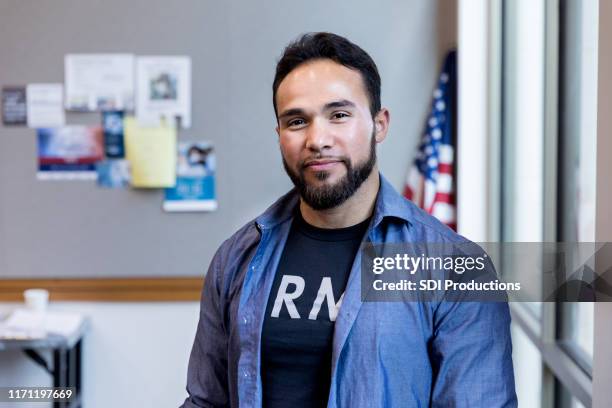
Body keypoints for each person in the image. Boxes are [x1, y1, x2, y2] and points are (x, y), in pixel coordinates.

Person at [181, 32, 516, 408]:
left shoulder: (456, 268)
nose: (317, 139)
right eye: (296, 121)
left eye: (339, 115)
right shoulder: (236, 258)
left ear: (380, 124)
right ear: (279, 136)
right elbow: (206, 401)